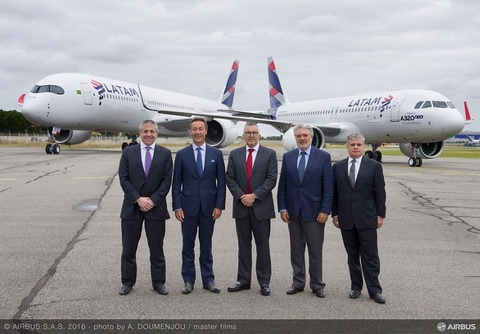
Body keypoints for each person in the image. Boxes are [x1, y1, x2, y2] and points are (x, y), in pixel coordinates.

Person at [277, 124, 333, 298]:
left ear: (311, 137)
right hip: (293, 212)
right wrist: (282, 207)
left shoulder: (323, 157)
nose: (302, 138)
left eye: (305, 135)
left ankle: (317, 284)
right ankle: (298, 282)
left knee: (315, 251)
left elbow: (328, 187)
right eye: (299, 135)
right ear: (295, 138)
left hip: (315, 212)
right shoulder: (288, 157)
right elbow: (283, 186)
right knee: (296, 250)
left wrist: (325, 210)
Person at [118, 120, 173, 296]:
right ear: (140, 133)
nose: (149, 134)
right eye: (145, 131)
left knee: (157, 249)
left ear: (157, 134)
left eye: (152, 131)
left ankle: (158, 282)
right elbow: (124, 178)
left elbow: (166, 181)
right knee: (128, 249)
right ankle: (127, 282)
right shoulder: (128, 152)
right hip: (132, 208)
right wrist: (137, 199)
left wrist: (153, 200)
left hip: (156, 209)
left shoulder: (165, 154)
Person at [172, 117, 226, 294]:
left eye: (200, 129)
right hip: (187, 208)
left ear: (206, 131)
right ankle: (188, 280)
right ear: (190, 131)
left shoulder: (216, 155)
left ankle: (208, 279)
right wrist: (177, 207)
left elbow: (221, 183)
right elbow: (176, 184)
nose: (197, 132)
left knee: (206, 245)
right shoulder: (181, 155)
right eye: (194, 129)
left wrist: (219, 206)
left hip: (209, 208)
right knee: (187, 245)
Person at [332, 133, 387, 304]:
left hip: (367, 218)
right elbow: (334, 193)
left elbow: (380, 193)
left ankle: (374, 289)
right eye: (352, 145)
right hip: (346, 218)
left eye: (358, 145)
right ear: (347, 147)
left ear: (363, 147)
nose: (355, 147)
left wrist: (380, 214)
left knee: (370, 256)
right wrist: (334, 214)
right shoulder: (338, 167)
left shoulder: (374, 166)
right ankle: (356, 286)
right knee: (352, 255)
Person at [226, 123, 277, 296]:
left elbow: (271, 180)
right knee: (243, 246)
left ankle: (264, 282)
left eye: (254, 132)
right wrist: (242, 196)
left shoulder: (269, 154)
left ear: (259, 135)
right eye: (248, 133)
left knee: (263, 247)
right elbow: (230, 179)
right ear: (243, 135)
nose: (251, 135)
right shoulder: (235, 154)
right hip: (241, 207)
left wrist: (254, 196)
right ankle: (243, 280)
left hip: (261, 207)